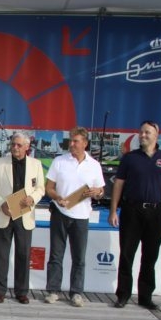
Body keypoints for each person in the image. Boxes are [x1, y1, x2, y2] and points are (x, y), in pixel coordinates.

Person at [109, 120, 161, 310]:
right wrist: (113, 210)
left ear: (157, 135)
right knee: (127, 255)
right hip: (132, 211)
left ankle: (145, 297)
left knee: (150, 257)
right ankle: (123, 295)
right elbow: (118, 184)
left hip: (156, 213)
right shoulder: (129, 158)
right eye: (141, 132)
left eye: (147, 132)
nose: (143, 135)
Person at [44, 127, 105, 307]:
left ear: (85, 143)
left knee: (79, 257)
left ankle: (76, 293)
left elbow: (101, 191)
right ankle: (53, 291)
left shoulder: (94, 165)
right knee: (56, 255)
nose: (71, 144)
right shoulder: (59, 161)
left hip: (82, 216)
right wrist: (57, 198)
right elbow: (49, 188)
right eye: (70, 141)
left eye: (75, 141)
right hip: (60, 213)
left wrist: (97, 192)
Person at [0, 132, 45, 304]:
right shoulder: (0, 163)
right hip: (5, 214)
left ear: (27, 147)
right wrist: (1, 204)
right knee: (1, 255)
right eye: (13, 144)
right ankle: (0, 292)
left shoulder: (36, 164)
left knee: (23, 255)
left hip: (25, 215)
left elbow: (40, 188)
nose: (15, 148)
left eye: (19, 145)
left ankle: (22, 292)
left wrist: (32, 198)